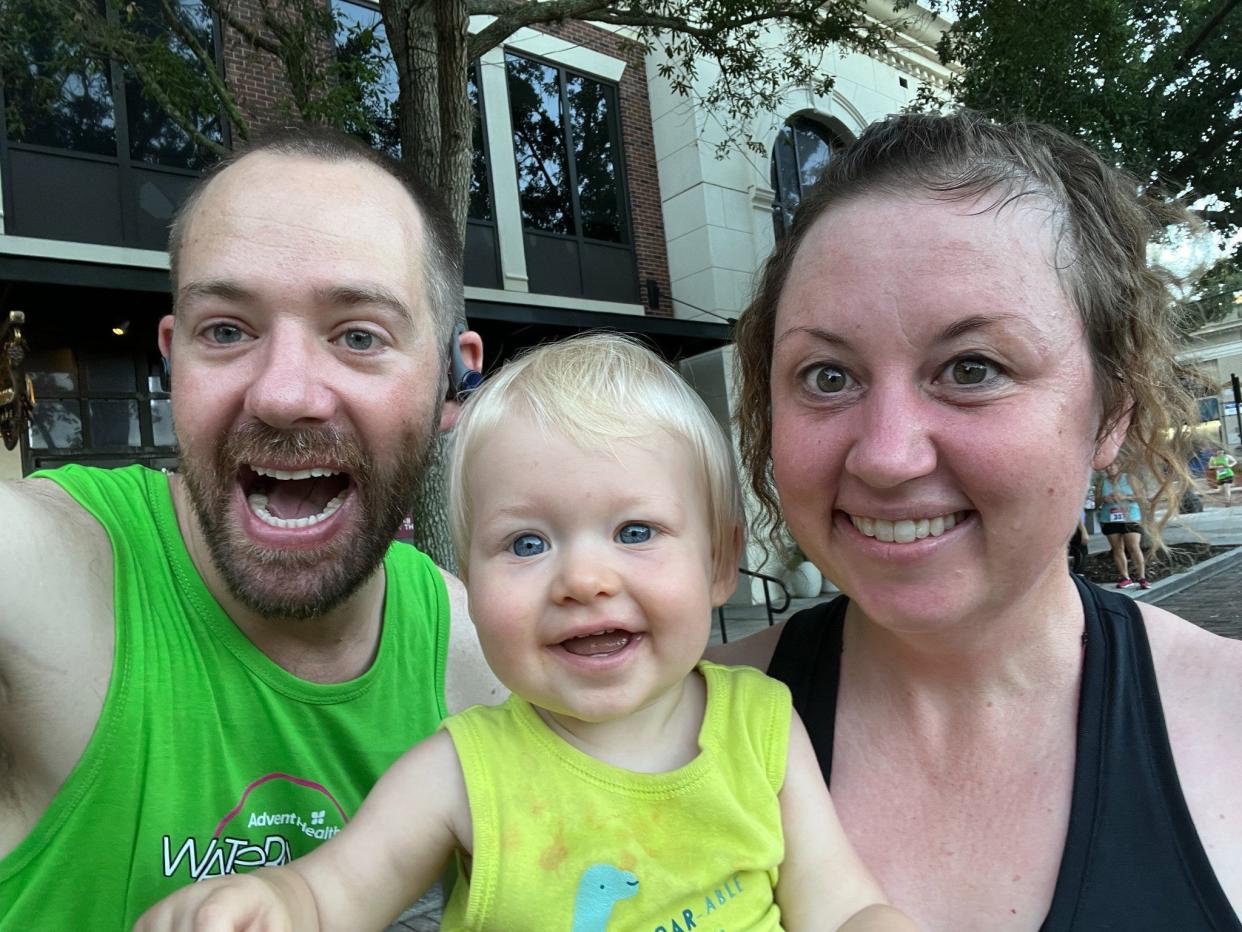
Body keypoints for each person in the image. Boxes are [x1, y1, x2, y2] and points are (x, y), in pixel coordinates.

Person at [135, 334, 915, 932]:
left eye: (636, 531)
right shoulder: (460, 771)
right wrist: (271, 899)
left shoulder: (763, 729)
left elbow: (840, 907)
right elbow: (329, 890)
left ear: (719, 563)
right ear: (469, 587)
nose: (584, 579)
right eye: (528, 545)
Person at [717, 111, 1242, 931]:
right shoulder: (654, 729)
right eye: (826, 376)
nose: (887, 456)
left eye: (973, 368)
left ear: (1110, 413)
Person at [0, 130, 502, 927]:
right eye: (227, 330)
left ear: (452, 378)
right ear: (174, 361)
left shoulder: (486, 661)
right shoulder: (52, 578)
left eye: (359, 335)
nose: (283, 393)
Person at [1094, 463, 1149, 588]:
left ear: (1119, 466)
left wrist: (1126, 497)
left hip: (1130, 518)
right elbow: (1095, 502)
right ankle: (1126, 578)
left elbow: (1142, 496)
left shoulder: (1129, 479)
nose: (1109, 468)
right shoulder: (1102, 483)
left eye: (1112, 466)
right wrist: (1104, 499)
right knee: (1117, 548)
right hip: (1110, 518)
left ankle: (1142, 578)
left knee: (1134, 547)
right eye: (1107, 466)